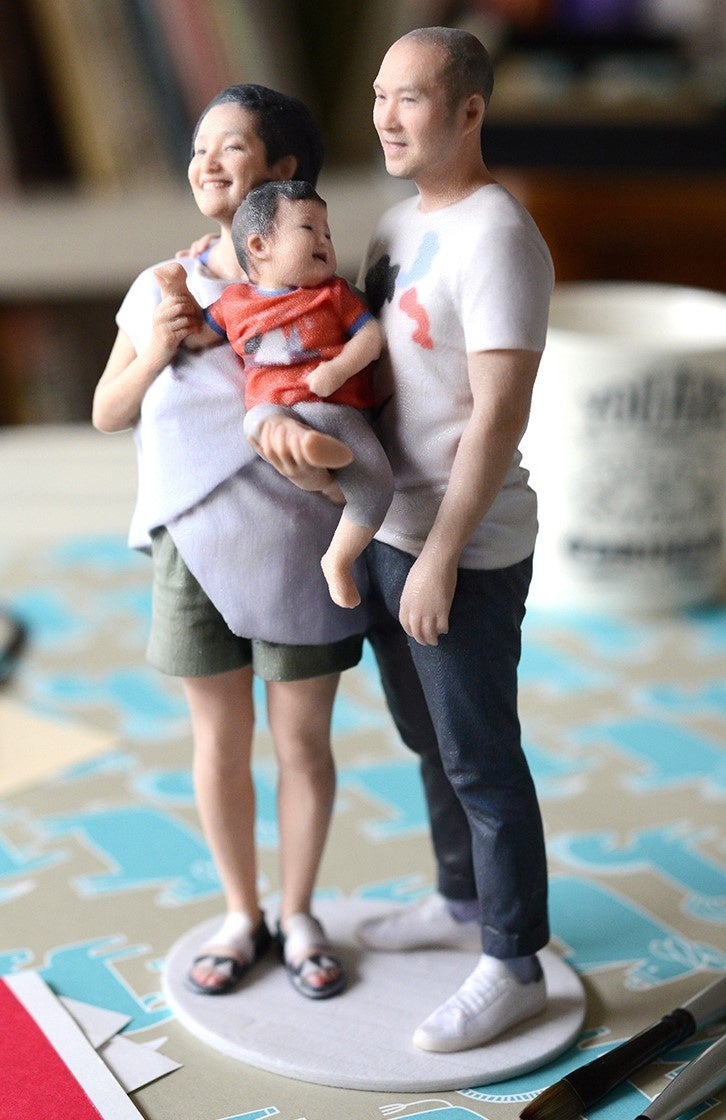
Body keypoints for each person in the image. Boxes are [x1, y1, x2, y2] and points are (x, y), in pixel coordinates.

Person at [257, 26, 554, 1053]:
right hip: (384, 526)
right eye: (379, 95)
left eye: (411, 98)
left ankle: (514, 960)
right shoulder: (390, 223)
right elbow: (358, 358)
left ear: (469, 111)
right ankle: (462, 898)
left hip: (464, 547)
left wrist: (440, 553)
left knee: (482, 758)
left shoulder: (499, 236)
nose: (385, 117)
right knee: (428, 739)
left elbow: (498, 416)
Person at [92, 84, 369, 1002]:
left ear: (284, 171)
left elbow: (368, 398)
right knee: (218, 738)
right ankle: (241, 913)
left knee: (303, 741)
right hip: (193, 542)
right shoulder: (160, 288)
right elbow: (107, 412)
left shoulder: (325, 294)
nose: (207, 161)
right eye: (199, 145)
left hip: (300, 540)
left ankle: (299, 912)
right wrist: (154, 350)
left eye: (233, 146)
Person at [155, 179, 393, 611]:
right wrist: (176, 293)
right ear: (259, 246)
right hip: (271, 408)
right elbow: (196, 338)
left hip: (334, 407)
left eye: (328, 233)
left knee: (378, 485)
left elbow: (371, 338)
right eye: (309, 229)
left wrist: (338, 369)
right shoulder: (234, 302)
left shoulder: (335, 294)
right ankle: (302, 445)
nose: (324, 240)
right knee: (259, 423)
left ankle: (338, 558)